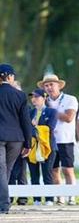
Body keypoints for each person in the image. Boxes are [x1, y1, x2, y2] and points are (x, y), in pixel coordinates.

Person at [39, 74, 79, 205]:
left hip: (66, 139)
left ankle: (71, 197)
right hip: (50, 140)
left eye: (51, 84)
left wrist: (49, 111)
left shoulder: (70, 99)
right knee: (54, 170)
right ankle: (60, 197)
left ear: (58, 86)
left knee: (68, 169)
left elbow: (69, 117)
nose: (49, 88)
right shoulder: (43, 101)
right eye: (46, 85)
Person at [0, 64, 32, 214]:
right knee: (6, 170)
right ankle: (3, 203)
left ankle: (3, 204)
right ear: (10, 77)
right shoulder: (20, 95)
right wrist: (28, 143)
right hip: (16, 139)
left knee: (2, 171)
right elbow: (25, 121)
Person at [27, 89, 57, 205]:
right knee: (34, 175)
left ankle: (49, 199)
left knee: (47, 174)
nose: (33, 99)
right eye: (32, 97)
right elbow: (26, 129)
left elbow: (50, 128)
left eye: (36, 97)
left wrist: (35, 126)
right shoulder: (29, 113)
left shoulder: (52, 112)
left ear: (44, 98)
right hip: (33, 147)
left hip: (47, 147)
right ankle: (37, 199)